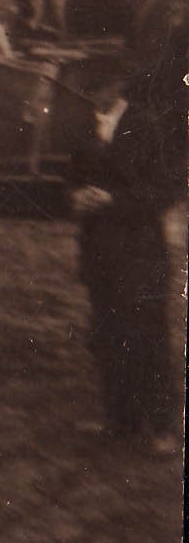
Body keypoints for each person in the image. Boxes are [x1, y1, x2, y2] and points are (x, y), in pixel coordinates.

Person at [69, 48, 186, 455]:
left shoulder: (147, 127)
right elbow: (71, 179)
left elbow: (168, 190)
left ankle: (162, 427)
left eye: (102, 87)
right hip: (98, 248)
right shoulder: (86, 128)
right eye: (89, 89)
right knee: (107, 332)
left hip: (140, 249)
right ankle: (120, 419)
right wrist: (76, 199)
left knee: (147, 334)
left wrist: (112, 202)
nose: (96, 96)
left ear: (120, 86)